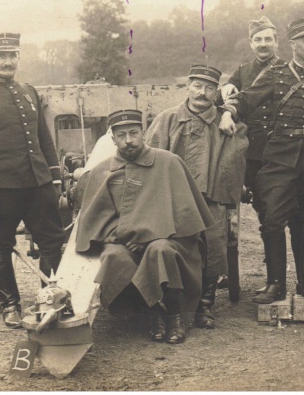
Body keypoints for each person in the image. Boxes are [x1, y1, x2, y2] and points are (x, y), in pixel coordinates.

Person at [220, 17, 304, 303]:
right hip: (280, 160)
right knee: (272, 220)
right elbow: (247, 99)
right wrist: (229, 112)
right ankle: (275, 284)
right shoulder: (276, 74)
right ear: (292, 44)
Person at [76, 109, 216, 344]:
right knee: (113, 257)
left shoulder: (168, 163)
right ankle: (151, 314)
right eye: (121, 135)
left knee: (159, 250)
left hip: (170, 240)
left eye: (133, 133)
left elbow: (187, 217)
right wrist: (115, 236)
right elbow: (95, 218)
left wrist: (150, 235)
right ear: (113, 140)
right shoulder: (102, 171)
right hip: (124, 242)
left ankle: (174, 317)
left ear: (144, 134)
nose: (128, 140)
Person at [0, 32, 66, 328]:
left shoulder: (29, 92)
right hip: (3, 190)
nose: (7, 61)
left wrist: (54, 181)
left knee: (52, 242)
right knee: (1, 244)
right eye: (1, 56)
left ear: (19, 57)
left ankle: (50, 299)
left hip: (38, 186)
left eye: (12, 55)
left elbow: (44, 141)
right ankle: (10, 305)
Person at [146, 64, 248, 329]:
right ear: (188, 87)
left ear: (216, 92)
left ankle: (205, 304)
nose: (202, 93)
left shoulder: (225, 123)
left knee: (214, 243)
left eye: (210, 88)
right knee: (170, 244)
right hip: (171, 198)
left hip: (211, 197)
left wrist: (221, 197)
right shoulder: (166, 119)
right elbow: (150, 158)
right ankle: (173, 302)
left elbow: (233, 162)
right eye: (198, 86)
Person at [218, 16, 285, 218]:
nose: (263, 44)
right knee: (262, 207)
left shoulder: (287, 69)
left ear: (276, 42)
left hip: (280, 147)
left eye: (267, 39)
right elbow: (226, 100)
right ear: (251, 43)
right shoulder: (242, 71)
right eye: (258, 40)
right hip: (252, 148)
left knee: (280, 205)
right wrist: (226, 87)